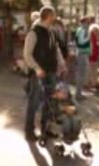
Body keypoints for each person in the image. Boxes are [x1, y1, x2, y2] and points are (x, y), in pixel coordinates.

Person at [23, 6, 66, 141]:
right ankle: (29, 131)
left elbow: (56, 50)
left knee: (50, 102)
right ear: (48, 16)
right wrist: (36, 68)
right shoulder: (33, 33)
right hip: (38, 73)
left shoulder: (51, 33)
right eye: (53, 15)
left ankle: (45, 129)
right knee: (34, 102)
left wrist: (62, 64)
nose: (55, 18)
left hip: (51, 71)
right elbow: (27, 55)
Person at [74, 17, 91, 100]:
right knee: (81, 73)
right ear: (84, 22)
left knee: (81, 73)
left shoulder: (80, 30)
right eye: (87, 22)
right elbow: (81, 42)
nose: (88, 24)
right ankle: (78, 94)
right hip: (82, 53)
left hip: (81, 53)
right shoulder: (82, 30)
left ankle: (79, 93)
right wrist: (88, 38)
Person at [88, 21, 99, 90]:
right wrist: (91, 53)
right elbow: (92, 46)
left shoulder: (95, 37)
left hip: (94, 55)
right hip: (92, 55)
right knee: (91, 69)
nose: (98, 32)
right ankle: (92, 83)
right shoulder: (92, 36)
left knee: (94, 69)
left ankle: (94, 82)